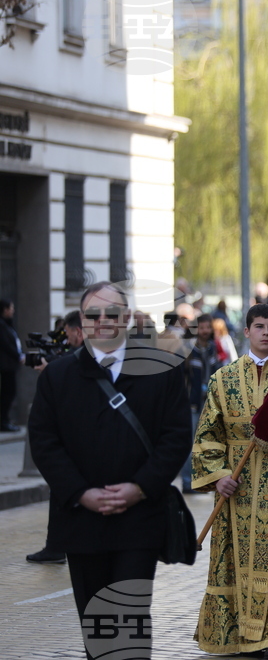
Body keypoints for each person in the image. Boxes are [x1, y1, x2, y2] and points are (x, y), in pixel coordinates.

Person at [28, 281, 190, 660]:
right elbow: (44, 442)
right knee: (98, 629)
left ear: (127, 318)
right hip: (82, 522)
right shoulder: (58, 376)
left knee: (129, 625)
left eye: (112, 313)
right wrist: (81, 493)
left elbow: (176, 437)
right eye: (93, 314)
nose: (103, 321)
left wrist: (140, 487)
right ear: (82, 321)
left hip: (140, 519)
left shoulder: (161, 371)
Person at [191, 304, 268, 658]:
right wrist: (218, 476)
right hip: (237, 485)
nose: (266, 333)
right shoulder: (223, 378)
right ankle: (238, 634)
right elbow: (207, 435)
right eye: (259, 326)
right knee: (236, 558)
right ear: (247, 331)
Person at [26, 310, 85, 565]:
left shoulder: (74, 362)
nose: (67, 338)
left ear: (77, 332)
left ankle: (57, 547)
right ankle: (58, 546)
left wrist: (49, 373)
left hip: (73, 439)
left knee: (63, 491)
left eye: (68, 333)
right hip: (80, 439)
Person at [182, 315, 223, 493]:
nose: (205, 331)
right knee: (190, 443)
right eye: (202, 327)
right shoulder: (188, 349)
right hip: (192, 404)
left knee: (206, 441)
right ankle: (187, 482)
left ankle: (203, 479)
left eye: (208, 327)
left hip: (209, 401)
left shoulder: (212, 348)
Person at [0, 298, 24, 431]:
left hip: (10, 365)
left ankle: (5, 420)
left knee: (9, 392)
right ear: (4, 310)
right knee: (7, 393)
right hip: (6, 366)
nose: (13, 311)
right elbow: (6, 345)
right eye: (11, 308)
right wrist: (18, 356)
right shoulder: (2, 326)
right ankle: (3, 421)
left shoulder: (8, 325)